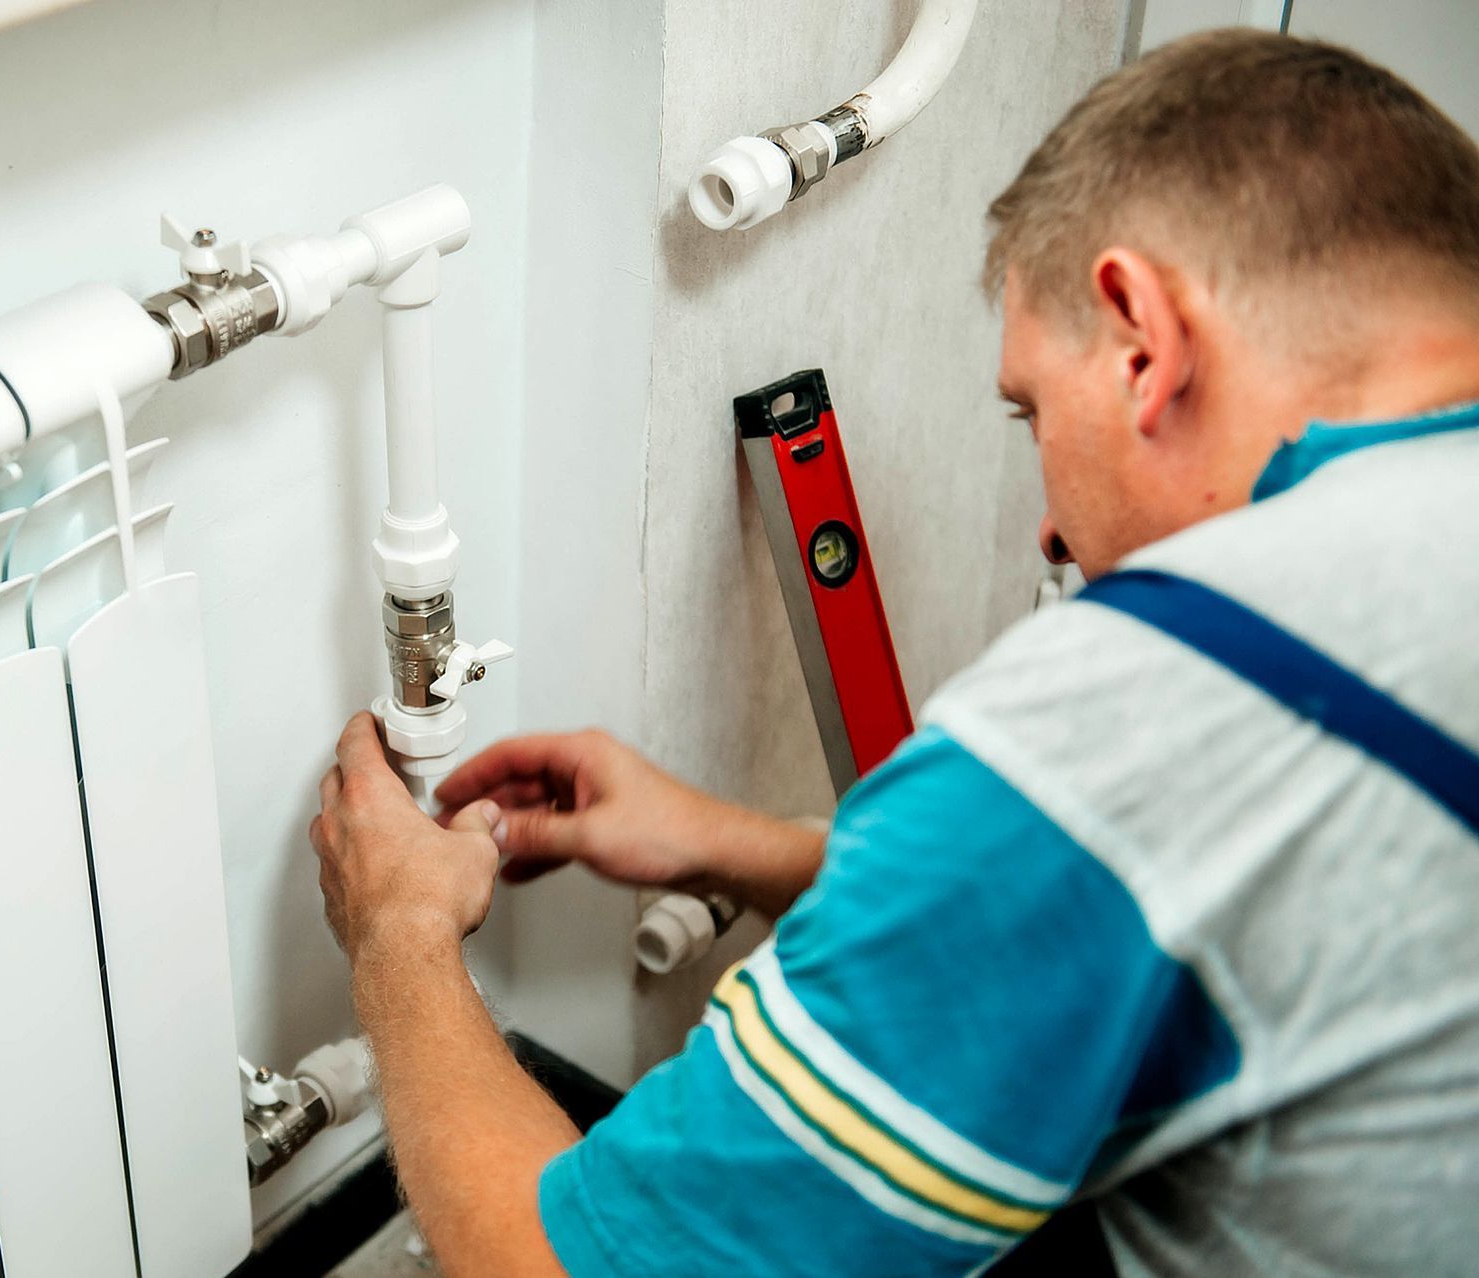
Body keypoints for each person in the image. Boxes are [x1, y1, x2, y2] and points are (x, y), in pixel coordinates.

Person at [308, 29, 1479, 1277]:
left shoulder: (1172, 688)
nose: (1049, 527)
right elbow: (1186, 905)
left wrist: (397, 934)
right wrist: (730, 844)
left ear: (1145, 341)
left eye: (1030, 411)